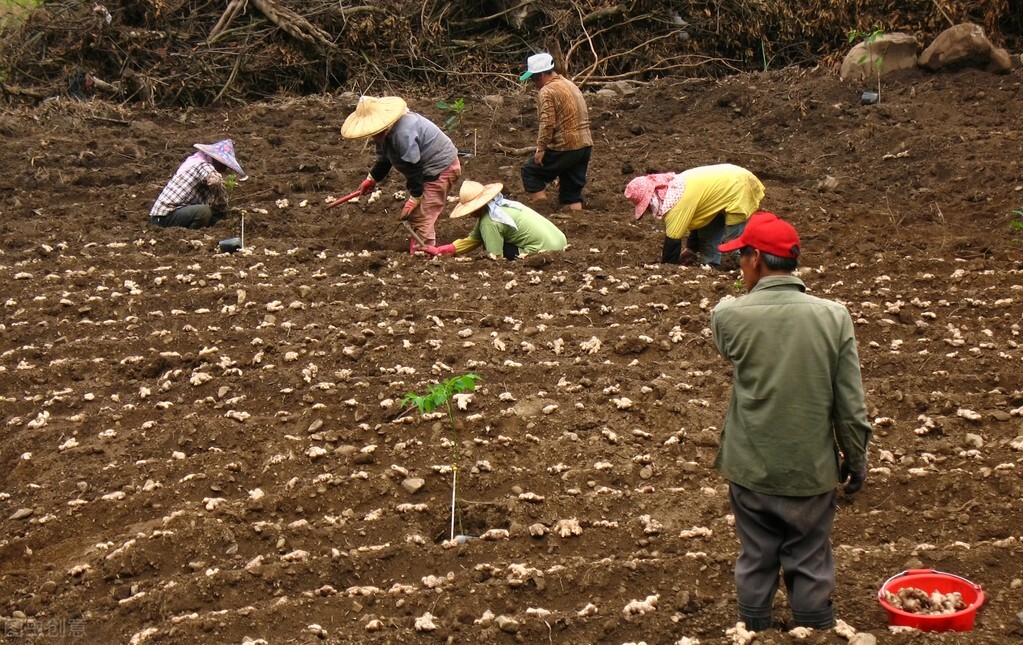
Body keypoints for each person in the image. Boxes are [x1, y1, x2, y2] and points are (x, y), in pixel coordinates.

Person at [709, 211, 872, 632]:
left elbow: (723, 326)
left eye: (741, 257)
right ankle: (815, 629)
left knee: (757, 554)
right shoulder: (835, 317)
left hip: (751, 467)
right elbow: (850, 405)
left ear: (757, 260)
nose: (740, 265)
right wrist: (856, 459)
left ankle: (755, 631)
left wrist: (733, 300)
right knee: (810, 554)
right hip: (810, 470)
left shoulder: (730, 316)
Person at [341, 95, 461, 252]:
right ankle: (419, 246)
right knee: (419, 213)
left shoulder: (403, 132)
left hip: (440, 168)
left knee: (422, 214)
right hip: (423, 169)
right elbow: (384, 160)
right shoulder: (382, 134)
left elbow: (413, 167)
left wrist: (414, 198)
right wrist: (372, 179)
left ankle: (424, 254)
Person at [624, 163, 765, 268]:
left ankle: (753, 265)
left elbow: (672, 243)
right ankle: (711, 267)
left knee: (733, 241)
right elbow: (699, 216)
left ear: (651, 199)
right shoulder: (674, 187)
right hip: (725, 186)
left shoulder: (676, 206)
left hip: (739, 186)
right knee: (707, 234)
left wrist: (667, 270)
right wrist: (691, 249)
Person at [419, 180, 566, 260]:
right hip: (560, 241)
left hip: (544, 252)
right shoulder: (502, 207)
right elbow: (472, 240)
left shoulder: (489, 221)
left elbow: (495, 256)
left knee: (489, 246)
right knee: (486, 239)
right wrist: (440, 250)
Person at [519, 52, 592, 211]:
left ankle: (541, 213)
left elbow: (547, 122)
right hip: (585, 145)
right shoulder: (569, 84)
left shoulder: (547, 91)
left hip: (565, 145)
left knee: (530, 172)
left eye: (533, 78)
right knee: (571, 191)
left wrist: (541, 148)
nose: (534, 83)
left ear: (542, 75)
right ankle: (577, 222)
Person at [150, 139, 245, 229]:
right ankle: (189, 236)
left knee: (210, 214)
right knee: (204, 212)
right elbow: (215, 181)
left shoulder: (194, 162)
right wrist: (222, 205)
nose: (225, 168)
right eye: (224, 164)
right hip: (164, 217)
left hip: (166, 215)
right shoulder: (203, 165)